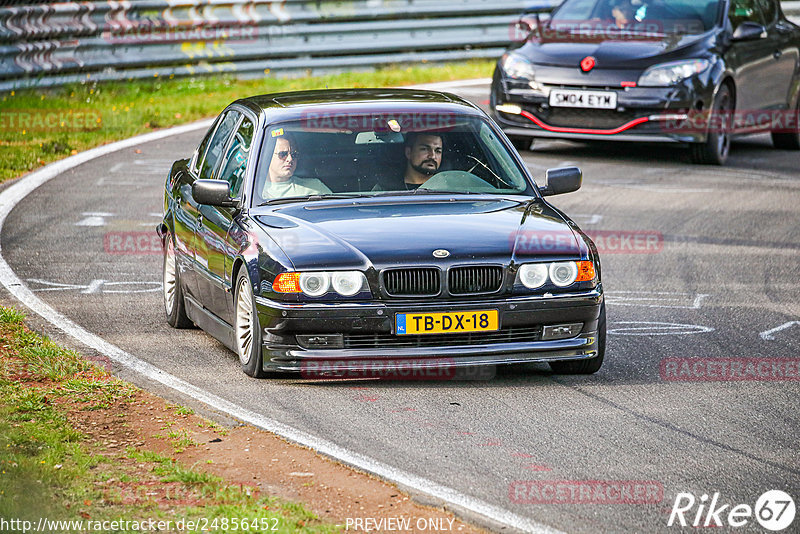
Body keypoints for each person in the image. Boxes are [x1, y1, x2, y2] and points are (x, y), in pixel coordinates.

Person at [261, 134, 332, 198]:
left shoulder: (315, 187)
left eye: (294, 155)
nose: (290, 159)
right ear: (268, 156)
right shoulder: (254, 191)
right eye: (283, 154)